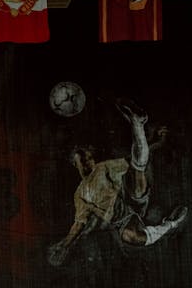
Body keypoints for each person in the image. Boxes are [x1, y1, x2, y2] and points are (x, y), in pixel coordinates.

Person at [48, 100, 187, 266]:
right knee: (132, 237)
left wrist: (152, 141)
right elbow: (79, 224)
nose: (87, 162)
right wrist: (65, 244)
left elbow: (132, 159)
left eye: (89, 158)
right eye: (82, 160)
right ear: (75, 164)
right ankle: (170, 224)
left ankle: (137, 124)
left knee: (137, 173)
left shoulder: (102, 168)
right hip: (121, 220)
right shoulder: (80, 194)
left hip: (131, 199)